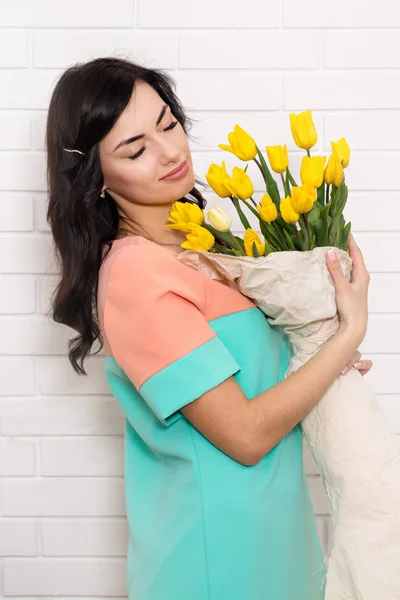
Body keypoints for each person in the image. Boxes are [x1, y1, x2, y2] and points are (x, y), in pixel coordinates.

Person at [45, 56, 372, 600]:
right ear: (97, 178)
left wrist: (323, 362)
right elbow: (245, 435)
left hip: (274, 539)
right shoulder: (134, 273)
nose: (170, 152)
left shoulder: (202, 243)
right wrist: (347, 335)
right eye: (136, 148)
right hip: (215, 558)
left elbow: (256, 382)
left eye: (168, 124)